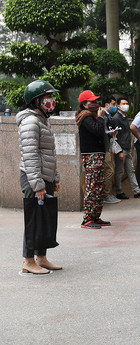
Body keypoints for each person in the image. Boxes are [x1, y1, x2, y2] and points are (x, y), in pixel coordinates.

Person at [16, 80, 62, 274]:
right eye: (46, 97)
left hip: (45, 177)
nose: (51, 101)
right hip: (33, 177)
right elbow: (30, 155)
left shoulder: (43, 120)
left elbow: (49, 152)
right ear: (36, 101)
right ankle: (28, 260)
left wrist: (55, 178)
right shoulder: (30, 121)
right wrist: (37, 184)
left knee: (45, 219)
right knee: (34, 219)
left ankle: (41, 258)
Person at [76, 90, 111, 229]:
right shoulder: (85, 117)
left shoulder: (92, 116)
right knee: (92, 186)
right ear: (84, 104)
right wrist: (101, 117)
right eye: (92, 102)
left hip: (97, 154)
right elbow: (97, 130)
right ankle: (87, 219)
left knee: (99, 187)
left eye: (96, 101)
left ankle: (95, 216)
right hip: (91, 155)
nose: (96, 104)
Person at [111, 97, 140, 199]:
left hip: (127, 148)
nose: (126, 105)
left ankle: (137, 191)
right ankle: (119, 192)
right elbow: (113, 136)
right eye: (123, 103)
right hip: (121, 149)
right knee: (119, 171)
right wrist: (119, 151)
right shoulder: (116, 118)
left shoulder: (124, 117)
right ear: (118, 106)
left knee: (131, 170)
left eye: (127, 103)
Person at [101, 95, 121, 204]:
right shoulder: (103, 116)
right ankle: (106, 194)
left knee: (109, 170)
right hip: (104, 148)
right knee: (109, 170)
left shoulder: (108, 116)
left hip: (108, 146)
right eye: (113, 104)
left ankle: (107, 193)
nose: (115, 107)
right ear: (106, 104)